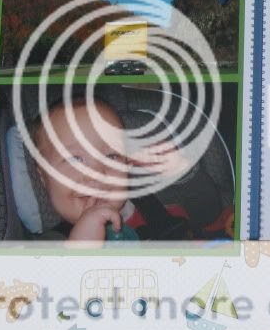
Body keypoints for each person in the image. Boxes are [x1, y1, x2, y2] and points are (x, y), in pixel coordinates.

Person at [29, 96, 191, 246]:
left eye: (112, 156)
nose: (97, 173)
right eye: (75, 159)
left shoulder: (154, 203)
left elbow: (200, 207)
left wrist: (180, 169)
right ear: (42, 176)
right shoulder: (46, 247)